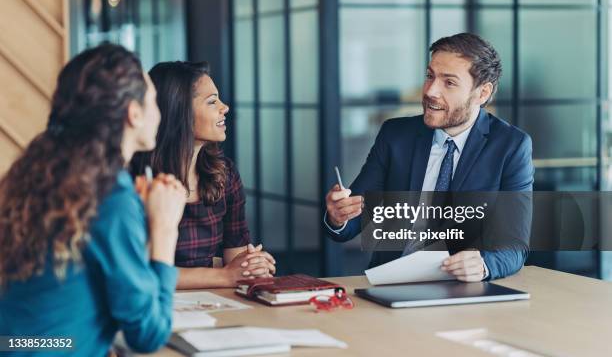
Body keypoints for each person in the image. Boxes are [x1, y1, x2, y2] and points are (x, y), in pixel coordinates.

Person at [0, 44, 186, 355]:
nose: (160, 112)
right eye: (154, 100)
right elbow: (148, 334)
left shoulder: (43, 174)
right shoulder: (111, 194)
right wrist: (165, 228)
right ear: (134, 113)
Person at [324, 33, 534, 281]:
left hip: (460, 289)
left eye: (449, 83)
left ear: (482, 93)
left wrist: (484, 265)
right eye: (430, 76)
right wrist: (338, 216)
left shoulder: (510, 147)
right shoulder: (395, 135)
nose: (431, 91)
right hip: (391, 283)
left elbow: (514, 246)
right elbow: (352, 221)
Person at [131, 61, 276, 289]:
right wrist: (225, 276)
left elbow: (235, 257)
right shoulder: (136, 179)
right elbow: (136, 271)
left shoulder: (224, 173)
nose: (225, 107)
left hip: (214, 305)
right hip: (154, 305)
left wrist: (251, 265)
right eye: (212, 101)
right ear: (180, 111)